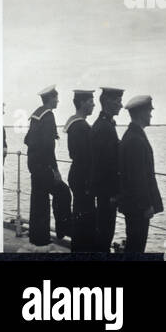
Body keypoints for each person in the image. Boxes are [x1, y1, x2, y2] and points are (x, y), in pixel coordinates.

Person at [23, 85, 73, 252]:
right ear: (50, 99)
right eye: (56, 98)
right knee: (63, 192)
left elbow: (27, 140)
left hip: (33, 165)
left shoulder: (36, 115)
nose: (58, 101)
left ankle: (38, 239)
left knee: (39, 202)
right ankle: (63, 229)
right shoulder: (48, 116)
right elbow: (48, 146)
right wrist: (55, 170)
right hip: (44, 167)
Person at [117, 95, 162, 254]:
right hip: (137, 207)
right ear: (141, 112)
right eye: (149, 111)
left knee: (134, 244)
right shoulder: (135, 139)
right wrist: (146, 205)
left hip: (133, 204)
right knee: (136, 246)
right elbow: (138, 178)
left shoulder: (132, 135)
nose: (151, 114)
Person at [91, 87, 123, 252]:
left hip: (103, 190)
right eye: (118, 101)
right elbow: (107, 165)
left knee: (103, 231)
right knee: (105, 232)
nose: (121, 105)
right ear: (108, 102)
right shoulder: (105, 128)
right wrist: (114, 193)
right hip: (107, 192)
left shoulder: (104, 124)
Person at [66, 89, 98, 252]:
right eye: (91, 101)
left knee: (81, 215)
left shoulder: (77, 124)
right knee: (85, 219)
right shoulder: (80, 126)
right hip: (83, 177)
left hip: (78, 174)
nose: (93, 104)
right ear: (82, 103)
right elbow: (84, 156)